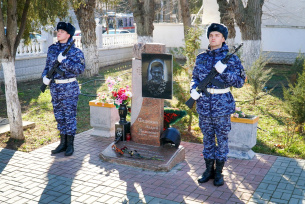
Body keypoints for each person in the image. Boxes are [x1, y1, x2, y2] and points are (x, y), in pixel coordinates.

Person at [190, 23, 246, 186]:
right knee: (207, 139)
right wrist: (193, 89)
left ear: (223, 38)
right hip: (204, 105)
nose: (213, 38)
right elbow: (195, 77)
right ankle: (208, 170)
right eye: (211, 35)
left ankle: (219, 173)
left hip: (222, 106)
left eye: (216, 35)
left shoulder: (232, 59)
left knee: (221, 140)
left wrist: (225, 73)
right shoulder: (201, 57)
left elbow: (240, 82)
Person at [42, 22, 85, 156]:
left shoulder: (75, 51)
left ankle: (70, 145)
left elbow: (80, 69)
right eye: (58, 31)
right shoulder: (52, 49)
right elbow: (48, 66)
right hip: (55, 87)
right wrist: (44, 77)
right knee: (59, 117)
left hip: (69, 88)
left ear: (68, 34)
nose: (58, 33)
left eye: (61, 31)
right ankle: (62, 143)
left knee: (69, 117)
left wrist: (64, 61)